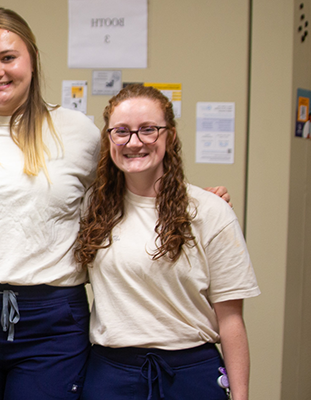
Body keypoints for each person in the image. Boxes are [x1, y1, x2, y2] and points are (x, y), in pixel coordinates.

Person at [0, 7, 230, 400]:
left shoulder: (76, 131)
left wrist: (197, 203)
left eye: (8, 57)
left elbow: (126, 185)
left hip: (51, 320)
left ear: (31, 60)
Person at [74, 84, 259, 400]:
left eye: (148, 130)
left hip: (190, 373)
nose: (134, 142)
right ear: (108, 139)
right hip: (111, 374)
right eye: (122, 131)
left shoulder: (210, 212)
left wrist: (240, 396)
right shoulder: (92, 207)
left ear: (170, 136)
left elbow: (231, 320)